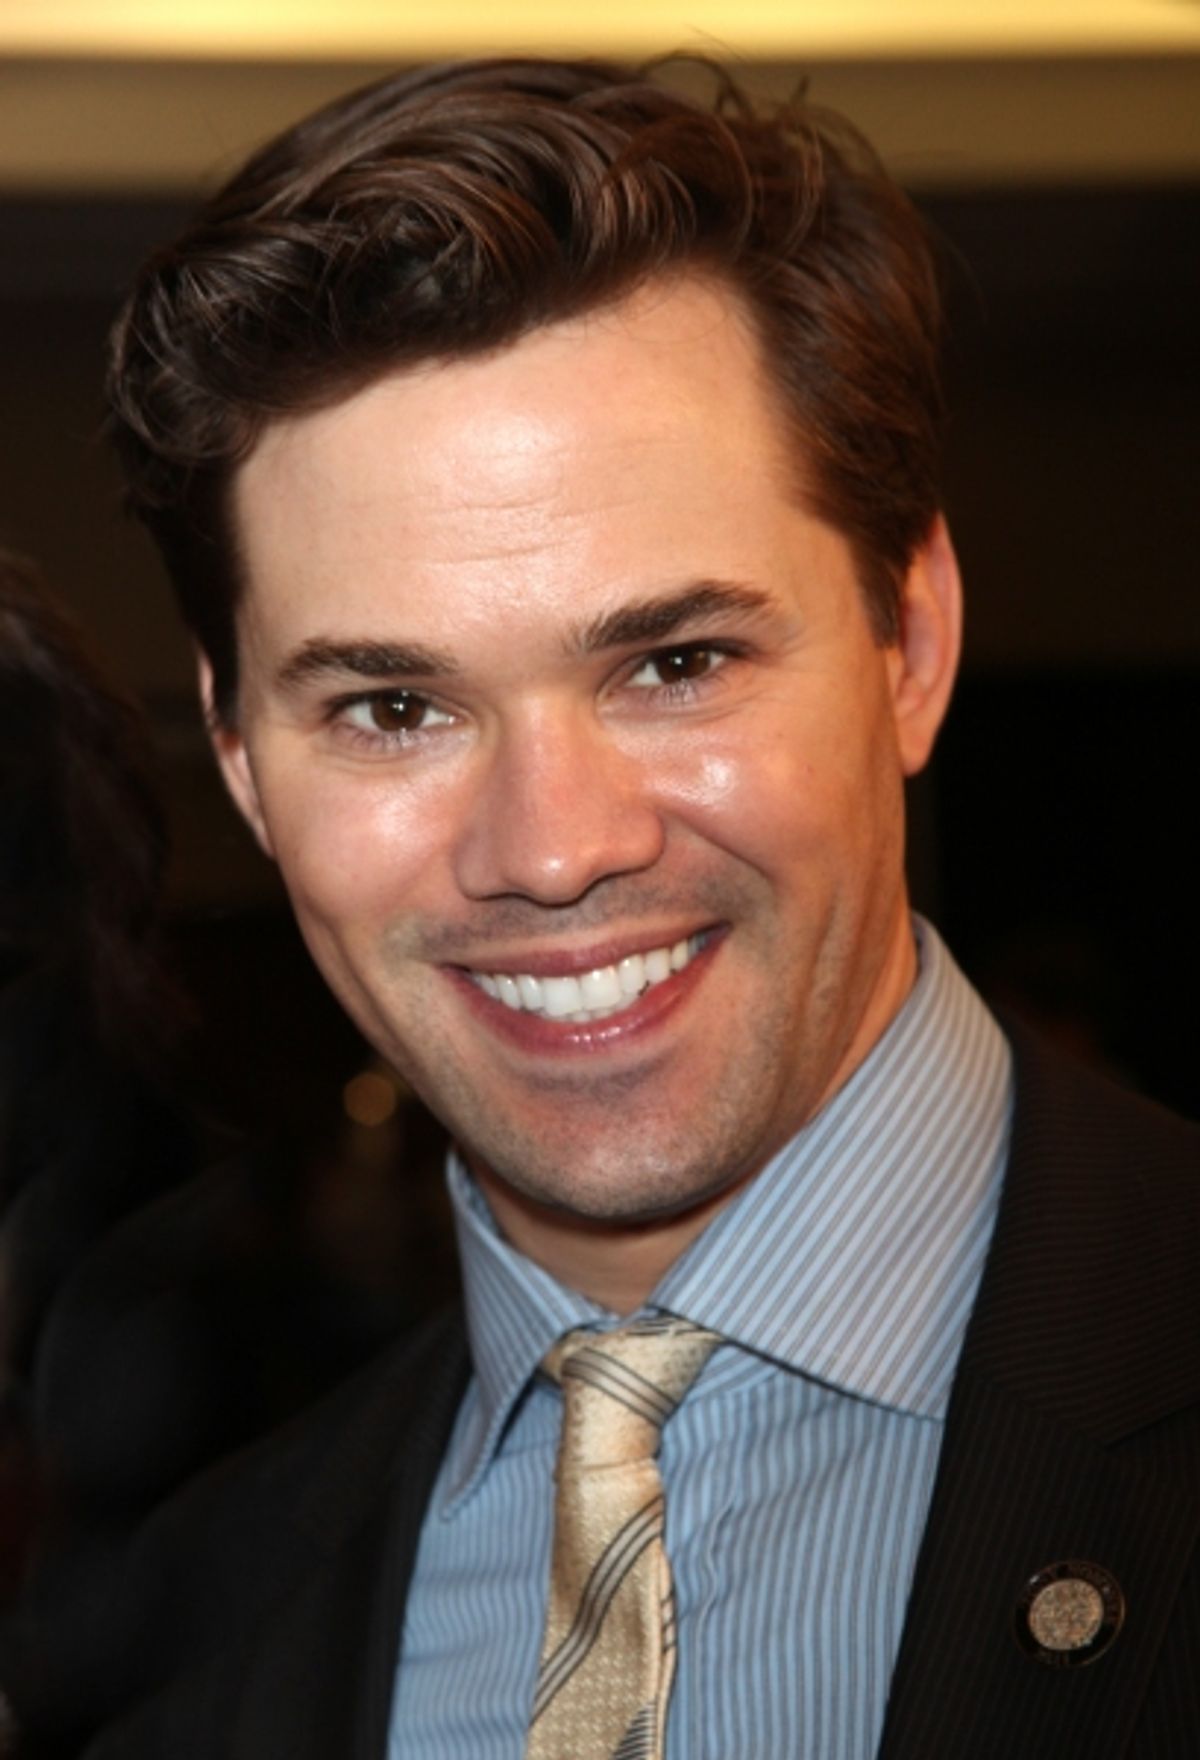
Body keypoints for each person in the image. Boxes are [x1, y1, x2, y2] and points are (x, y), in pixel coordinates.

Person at [90, 56, 1196, 1760]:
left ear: (913, 640)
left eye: (676, 664)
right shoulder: (179, 1629)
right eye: (393, 710)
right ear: (240, 760)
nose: (550, 850)